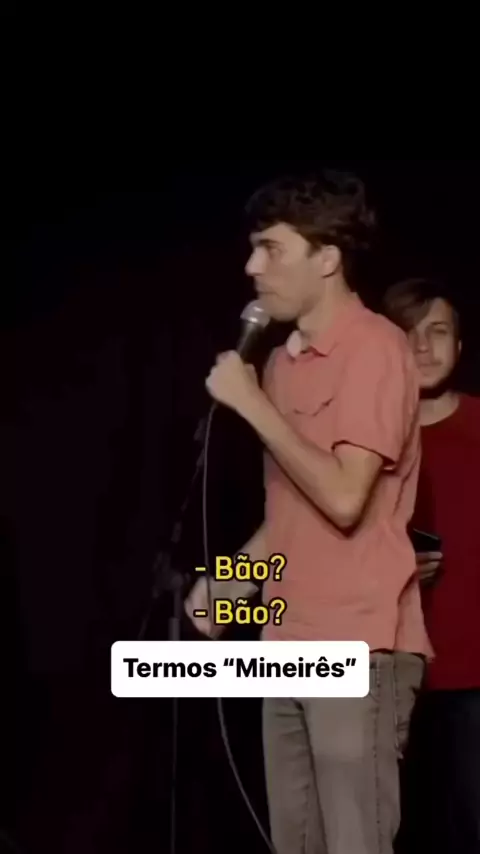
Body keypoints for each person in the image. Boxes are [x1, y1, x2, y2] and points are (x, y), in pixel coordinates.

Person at [185, 171, 430, 854]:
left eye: (271, 248)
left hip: (357, 642)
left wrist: (251, 406)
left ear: (327, 258)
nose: (251, 266)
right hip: (286, 637)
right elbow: (293, 515)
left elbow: (346, 499)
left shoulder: (376, 348)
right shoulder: (281, 365)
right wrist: (229, 586)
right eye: (252, 248)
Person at [383, 278, 480, 853]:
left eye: (437, 331)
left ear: (459, 347)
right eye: (408, 333)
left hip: (474, 681)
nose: (422, 346)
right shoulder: (364, 444)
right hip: (386, 676)